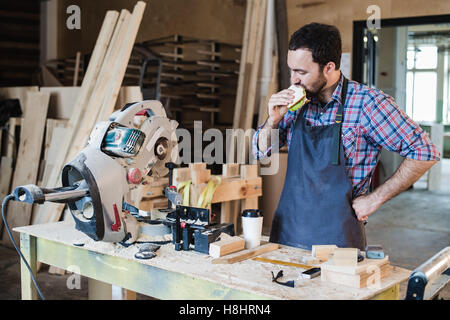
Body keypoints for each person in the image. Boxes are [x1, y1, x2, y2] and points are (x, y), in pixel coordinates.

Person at [252, 22, 440, 250]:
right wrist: (272, 121)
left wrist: (375, 199)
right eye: (291, 69)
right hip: (288, 232)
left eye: (301, 72)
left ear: (329, 67)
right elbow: (261, 151)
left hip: (338, 239)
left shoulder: (369, 104)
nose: (293, 79)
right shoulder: (295, 104)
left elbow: (425, 152)